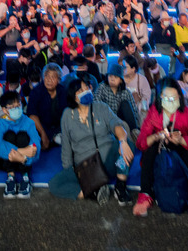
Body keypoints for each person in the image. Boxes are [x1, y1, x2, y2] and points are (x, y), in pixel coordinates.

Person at [133, 78, 188, 223]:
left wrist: (182, 140)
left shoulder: (187, 113)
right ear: (160, 97)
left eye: (174, 98)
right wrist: (156, 136)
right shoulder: (154, 112)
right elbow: (140, 143)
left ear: (180, 97)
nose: (171, 101)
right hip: (160, 145)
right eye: (167, 98)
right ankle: (145, 194)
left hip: (181, 145)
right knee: (149, 150)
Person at [49, 77, 135, 205]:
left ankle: (120, 186)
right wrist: (68, 169)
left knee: (128, 146)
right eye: (80, 90)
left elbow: (116, 124)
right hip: (86, 167)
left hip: (109, 163)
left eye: (86, 88)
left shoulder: (101, 107)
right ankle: (91, 191)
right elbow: (66, 144)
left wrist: (123, 141)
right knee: (54, 185)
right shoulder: (67, 115)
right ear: (73, 96)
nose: (86, 91)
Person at [0, 90, 41, 199]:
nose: (16, 109)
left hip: (25, 161)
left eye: (18, 105)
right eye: (12, 107)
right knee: (9, 135)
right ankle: (11, 176)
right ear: (4, 110)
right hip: (8, 159)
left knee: (22, 136)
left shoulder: (28, 122)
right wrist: (21, 152)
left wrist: (24, 159)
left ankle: (25, 177)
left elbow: (36, 145)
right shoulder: (0, 124)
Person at [26, 63, 68, 149]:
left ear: (59, 80)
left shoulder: (63, 91)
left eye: (53, 77)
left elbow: (68, 113)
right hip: (41, 128)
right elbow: (32, 115)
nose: (49, 80)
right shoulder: (36, 92)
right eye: (47, 76)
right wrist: (43, 134)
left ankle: (54, 139)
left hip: (59, 128)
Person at [94, 63, 142, 133]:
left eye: (115, 77)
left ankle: (134, 132)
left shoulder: (126, 92)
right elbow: (96, 103)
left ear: (121, 80)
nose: (112, 79)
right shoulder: (102, 87)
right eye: (110, 76)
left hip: (122, 119)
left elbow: (134, 111)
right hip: (107, 119)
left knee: (125, 104)